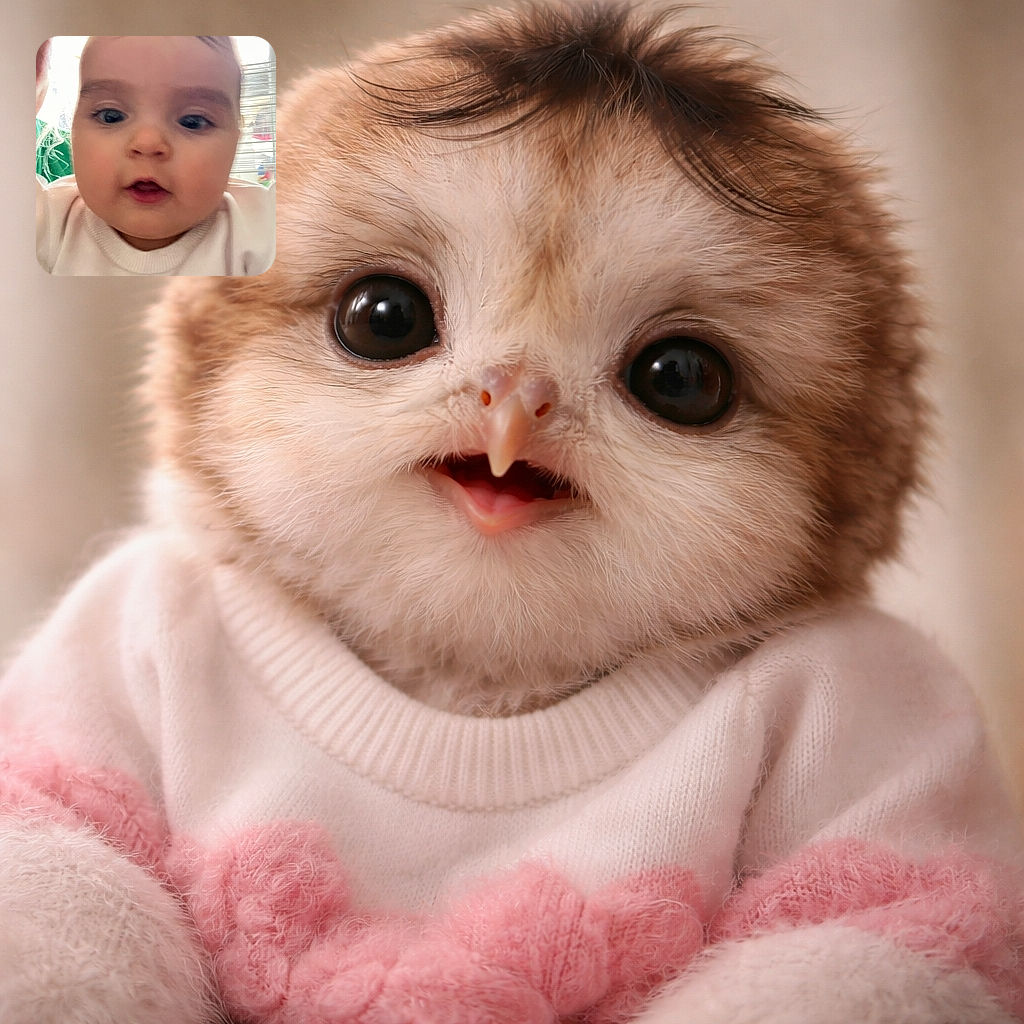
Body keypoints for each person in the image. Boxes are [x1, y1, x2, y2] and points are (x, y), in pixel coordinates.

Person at [36, 36, 274, 276]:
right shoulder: (48, 223)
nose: (147, 143)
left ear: (236, 142)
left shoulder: (261, 230)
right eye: (111, 116)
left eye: (192, 122)